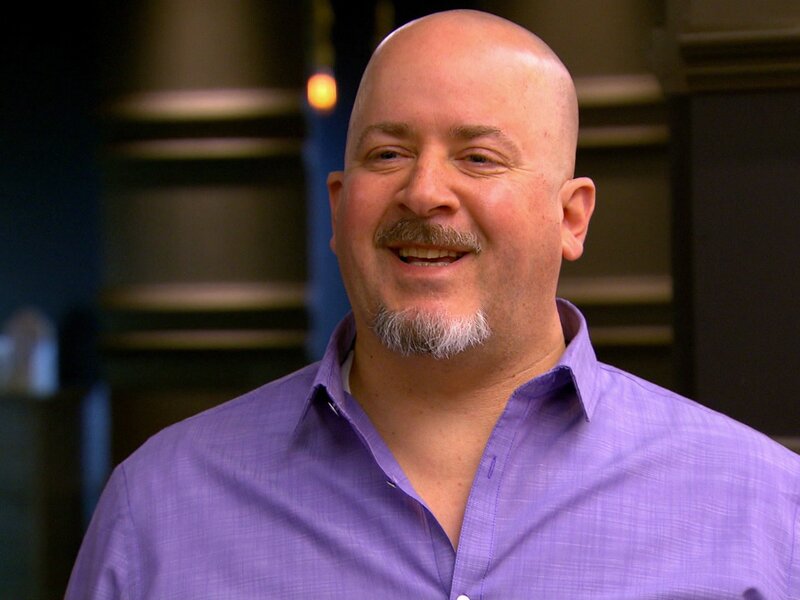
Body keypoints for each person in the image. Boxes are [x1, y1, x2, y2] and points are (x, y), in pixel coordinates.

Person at [67, 9, 799, 599]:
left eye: (479, 157)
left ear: (571, 218)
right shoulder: (158, 509)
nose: (423, 193)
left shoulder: (763, 512)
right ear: (339, 206)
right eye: (388, 154)